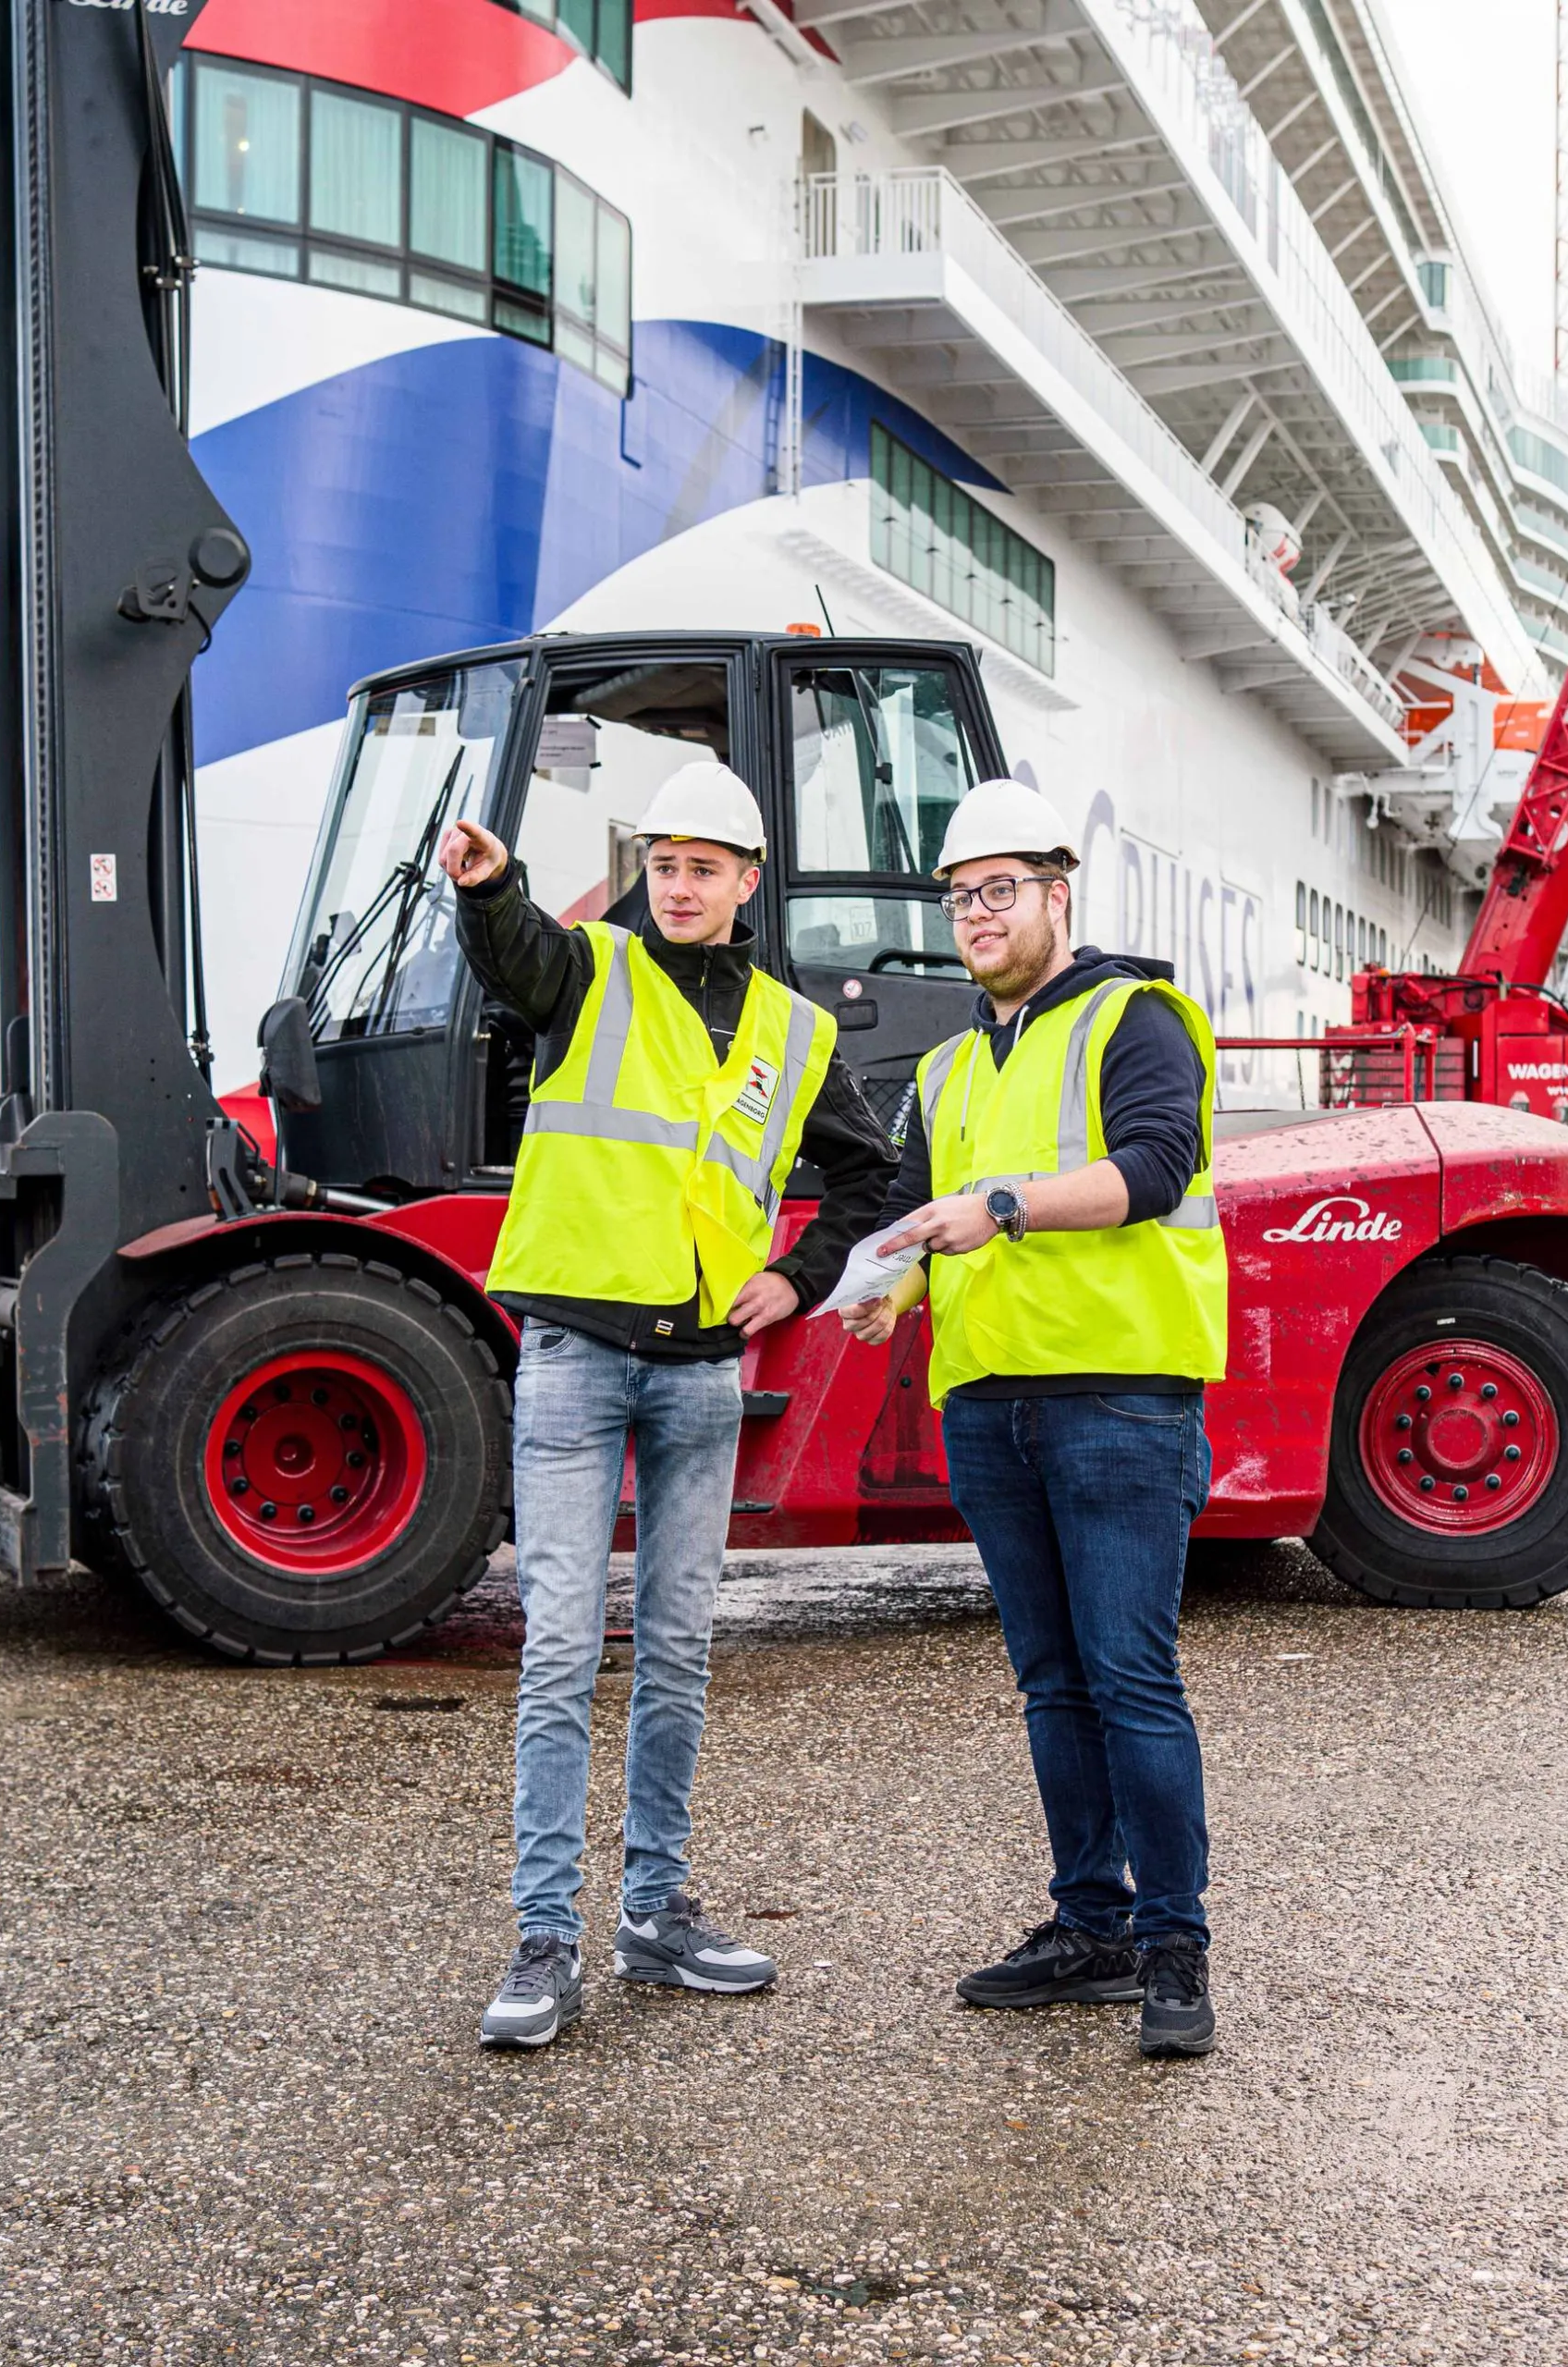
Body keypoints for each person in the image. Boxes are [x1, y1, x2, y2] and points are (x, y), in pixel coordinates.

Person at [444, 758, 904, 2050]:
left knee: (680, 1651)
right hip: (577, 1356)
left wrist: (796, 1278)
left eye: (704, 868)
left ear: (747, 881)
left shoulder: (794, 1033)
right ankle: (545, 1938)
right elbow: (518, 955)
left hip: (702, 1370)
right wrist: (490, 891)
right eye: (663, 865)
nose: (680, 886)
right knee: (558, 1650)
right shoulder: (590, 972)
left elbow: (868, 1177)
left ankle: (653, 1914)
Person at [839, 779, 1230, 2059]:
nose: (977, 914)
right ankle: (1090, 1927)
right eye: (960, 896)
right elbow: (914, 1213)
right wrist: (890, 1288)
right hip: (991, 1402)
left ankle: (1173, 1949)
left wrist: (1001, 1206)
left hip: (1119, 1394)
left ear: (1058, 895)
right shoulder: (946, 1066)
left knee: (1129, 1678)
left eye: (999, 890)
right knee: (1053, 1684)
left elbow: (1156, 1167)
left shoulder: (1136, 1016)